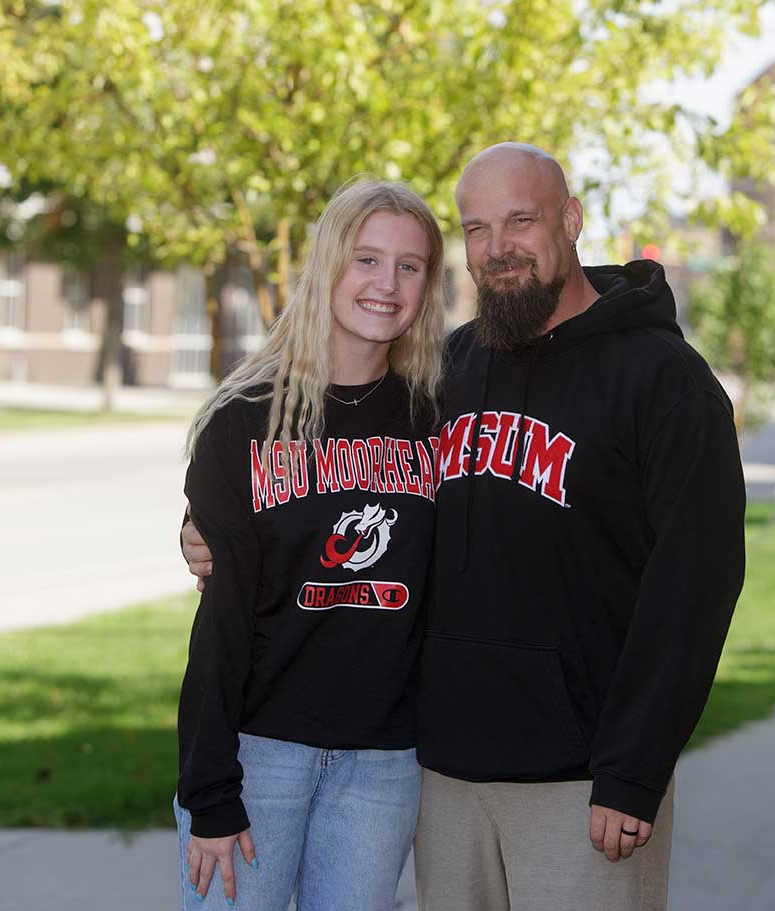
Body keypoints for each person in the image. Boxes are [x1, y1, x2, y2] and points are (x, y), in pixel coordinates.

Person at [182, 144, 745, 910]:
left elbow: (695, 586)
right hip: (441, 776)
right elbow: (312, 490)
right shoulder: (447, 373)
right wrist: (203, 523)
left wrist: (635, 771)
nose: (497, 246)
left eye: (521, 219)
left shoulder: (664, 381)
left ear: (572, 220)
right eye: (476, 227)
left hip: (581, 782)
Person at [174, 179, 446, 910]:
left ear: (428, 285)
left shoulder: (439, 419)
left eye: (410, 266)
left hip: (384, 766)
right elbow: (222, 618)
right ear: (328, 263)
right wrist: (209, 789)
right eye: (366, 259)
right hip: (257, 754)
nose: (386, 284)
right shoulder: (243, 421)